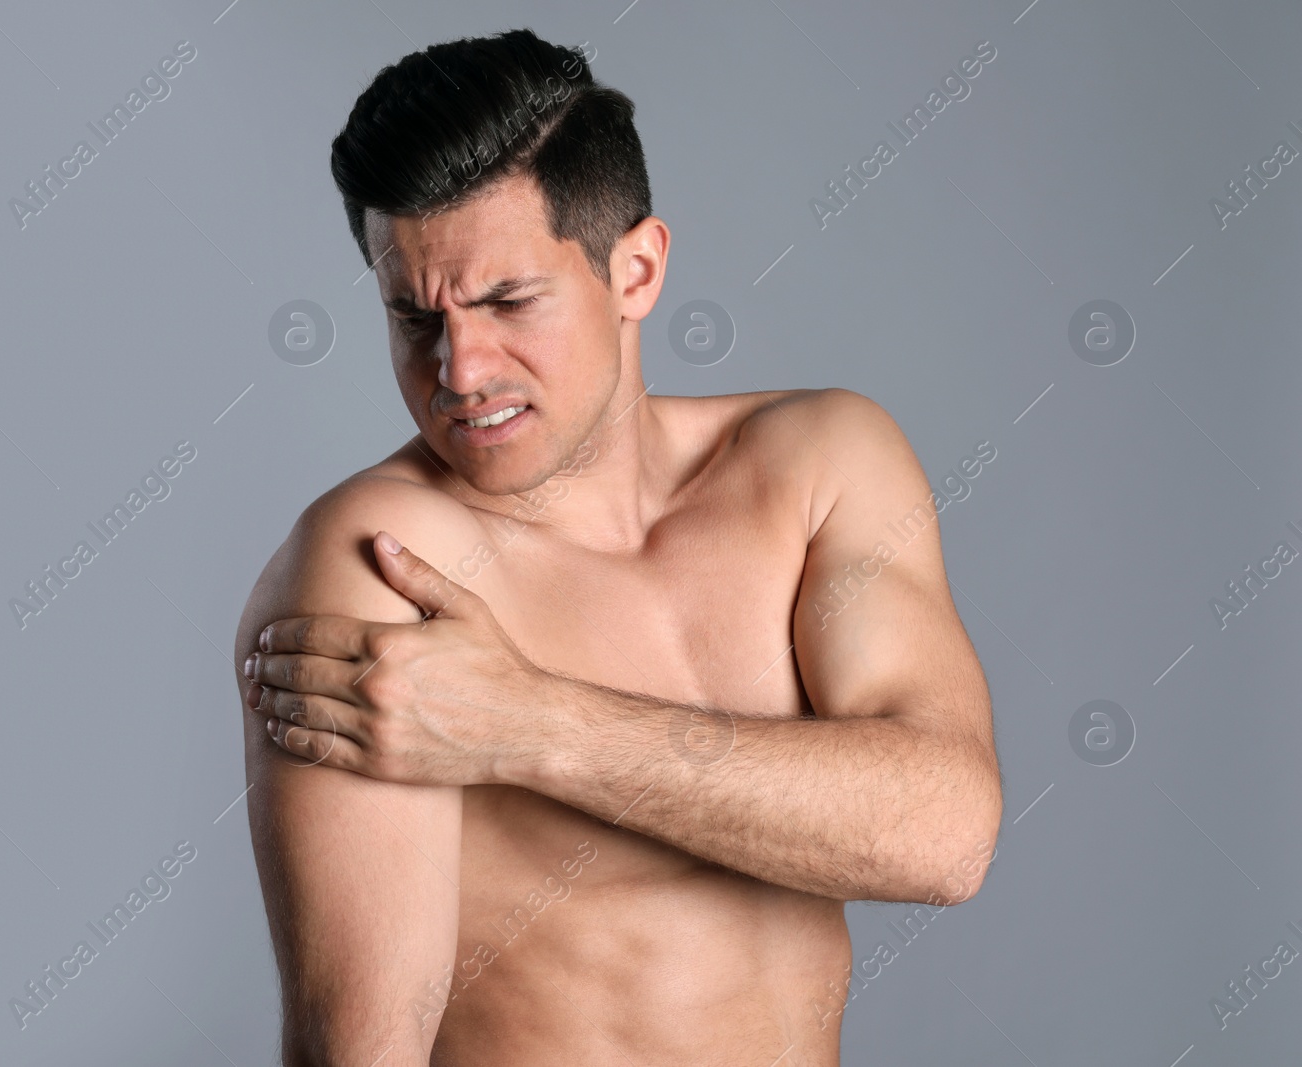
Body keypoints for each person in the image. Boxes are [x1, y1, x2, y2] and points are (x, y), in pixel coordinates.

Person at [234, 27, 1001, 1066]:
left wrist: (527, 722)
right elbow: (358, 1049)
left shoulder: (818, 466)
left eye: (509, 302)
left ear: (634, 270)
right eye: (414, 317)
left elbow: (944, 832)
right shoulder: (377, 565)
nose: (458, 370)